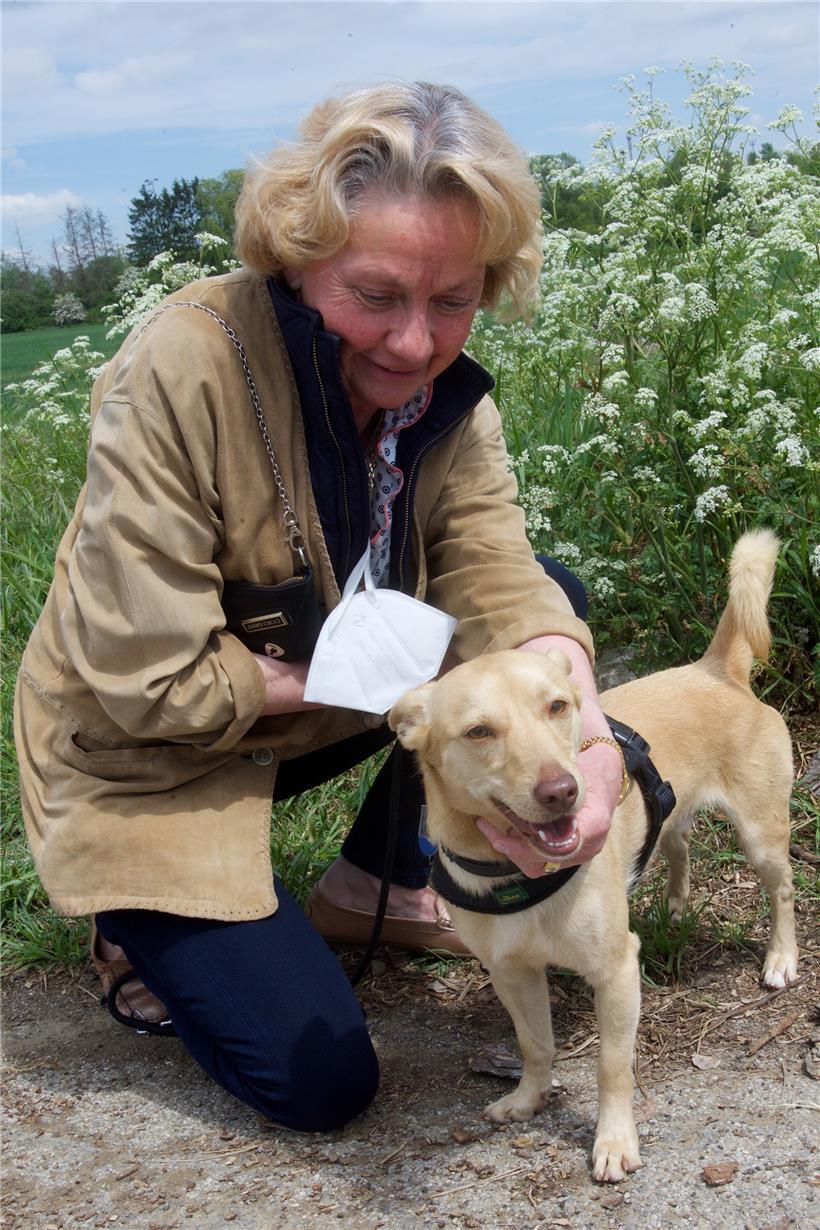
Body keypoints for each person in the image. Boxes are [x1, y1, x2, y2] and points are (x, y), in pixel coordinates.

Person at [14, 81, 623, 1132]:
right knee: (321, 1083)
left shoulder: (441, 390)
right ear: (295, 257)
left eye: (452, 300)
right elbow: (145, 676)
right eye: (376, 295)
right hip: (145, 747)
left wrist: (596, 738)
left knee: (541, 617)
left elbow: (495, 572)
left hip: (318, 695)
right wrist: (375, 681)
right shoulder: (185, 366)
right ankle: (131, 920)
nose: (414, 344)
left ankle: (374, 880)